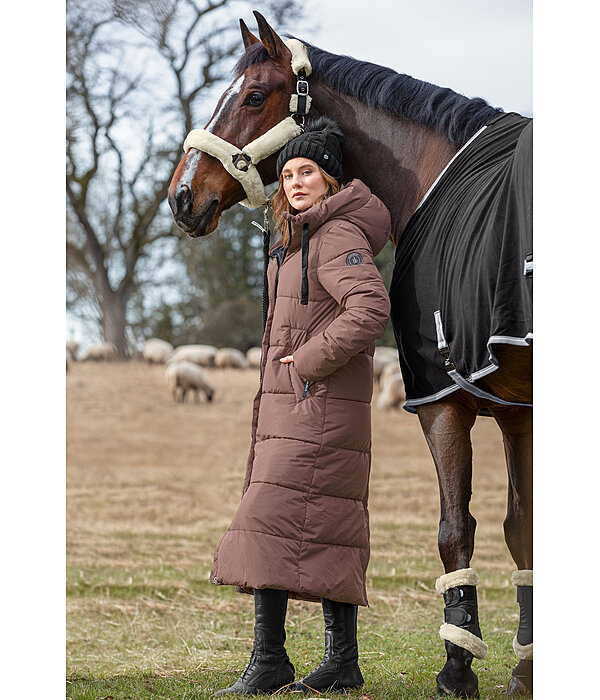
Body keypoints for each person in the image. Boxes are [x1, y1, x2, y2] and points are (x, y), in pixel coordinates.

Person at [211, 117, 392, 696]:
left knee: (267, 520)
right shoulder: (299, 236)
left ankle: (270, 661)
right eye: (287, 173)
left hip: (319, 409)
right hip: (295, 413)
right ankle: (340, 663)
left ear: (331, 179)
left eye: (306, 171)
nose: (293, 182)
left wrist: (309, 361)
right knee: (320, 530)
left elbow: (369, 309)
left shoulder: (336, 236)